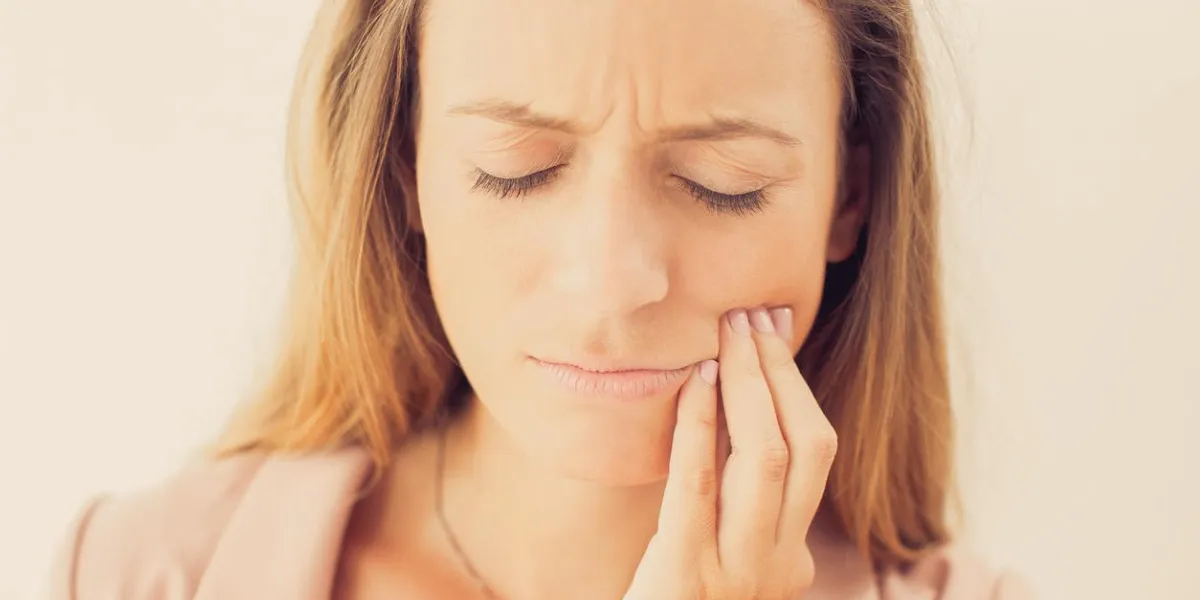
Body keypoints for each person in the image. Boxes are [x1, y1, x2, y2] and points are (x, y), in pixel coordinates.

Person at [42, 0, 1033, 598]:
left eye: (722, 182)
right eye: (514, 170)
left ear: (848, 198)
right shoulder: (144, 573)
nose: (611, 278)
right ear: (405, 169)